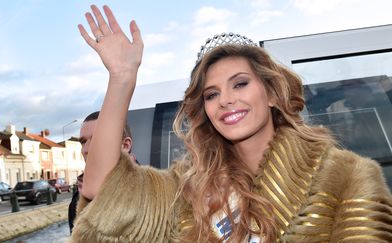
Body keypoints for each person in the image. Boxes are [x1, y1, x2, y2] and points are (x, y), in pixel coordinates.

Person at [71, 5, 392, 242]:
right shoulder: (187, 188)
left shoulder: (348, 177)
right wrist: (122, 77)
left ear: (270, 93)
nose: (225, 99)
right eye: (211, 94)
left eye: (239, 84)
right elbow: (104, 189)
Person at [68, 111, 136, 234]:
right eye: (83, 142)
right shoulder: (78, 200)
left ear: (125, 146)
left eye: (98, 139)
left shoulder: (154, 193)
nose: (86, 150)